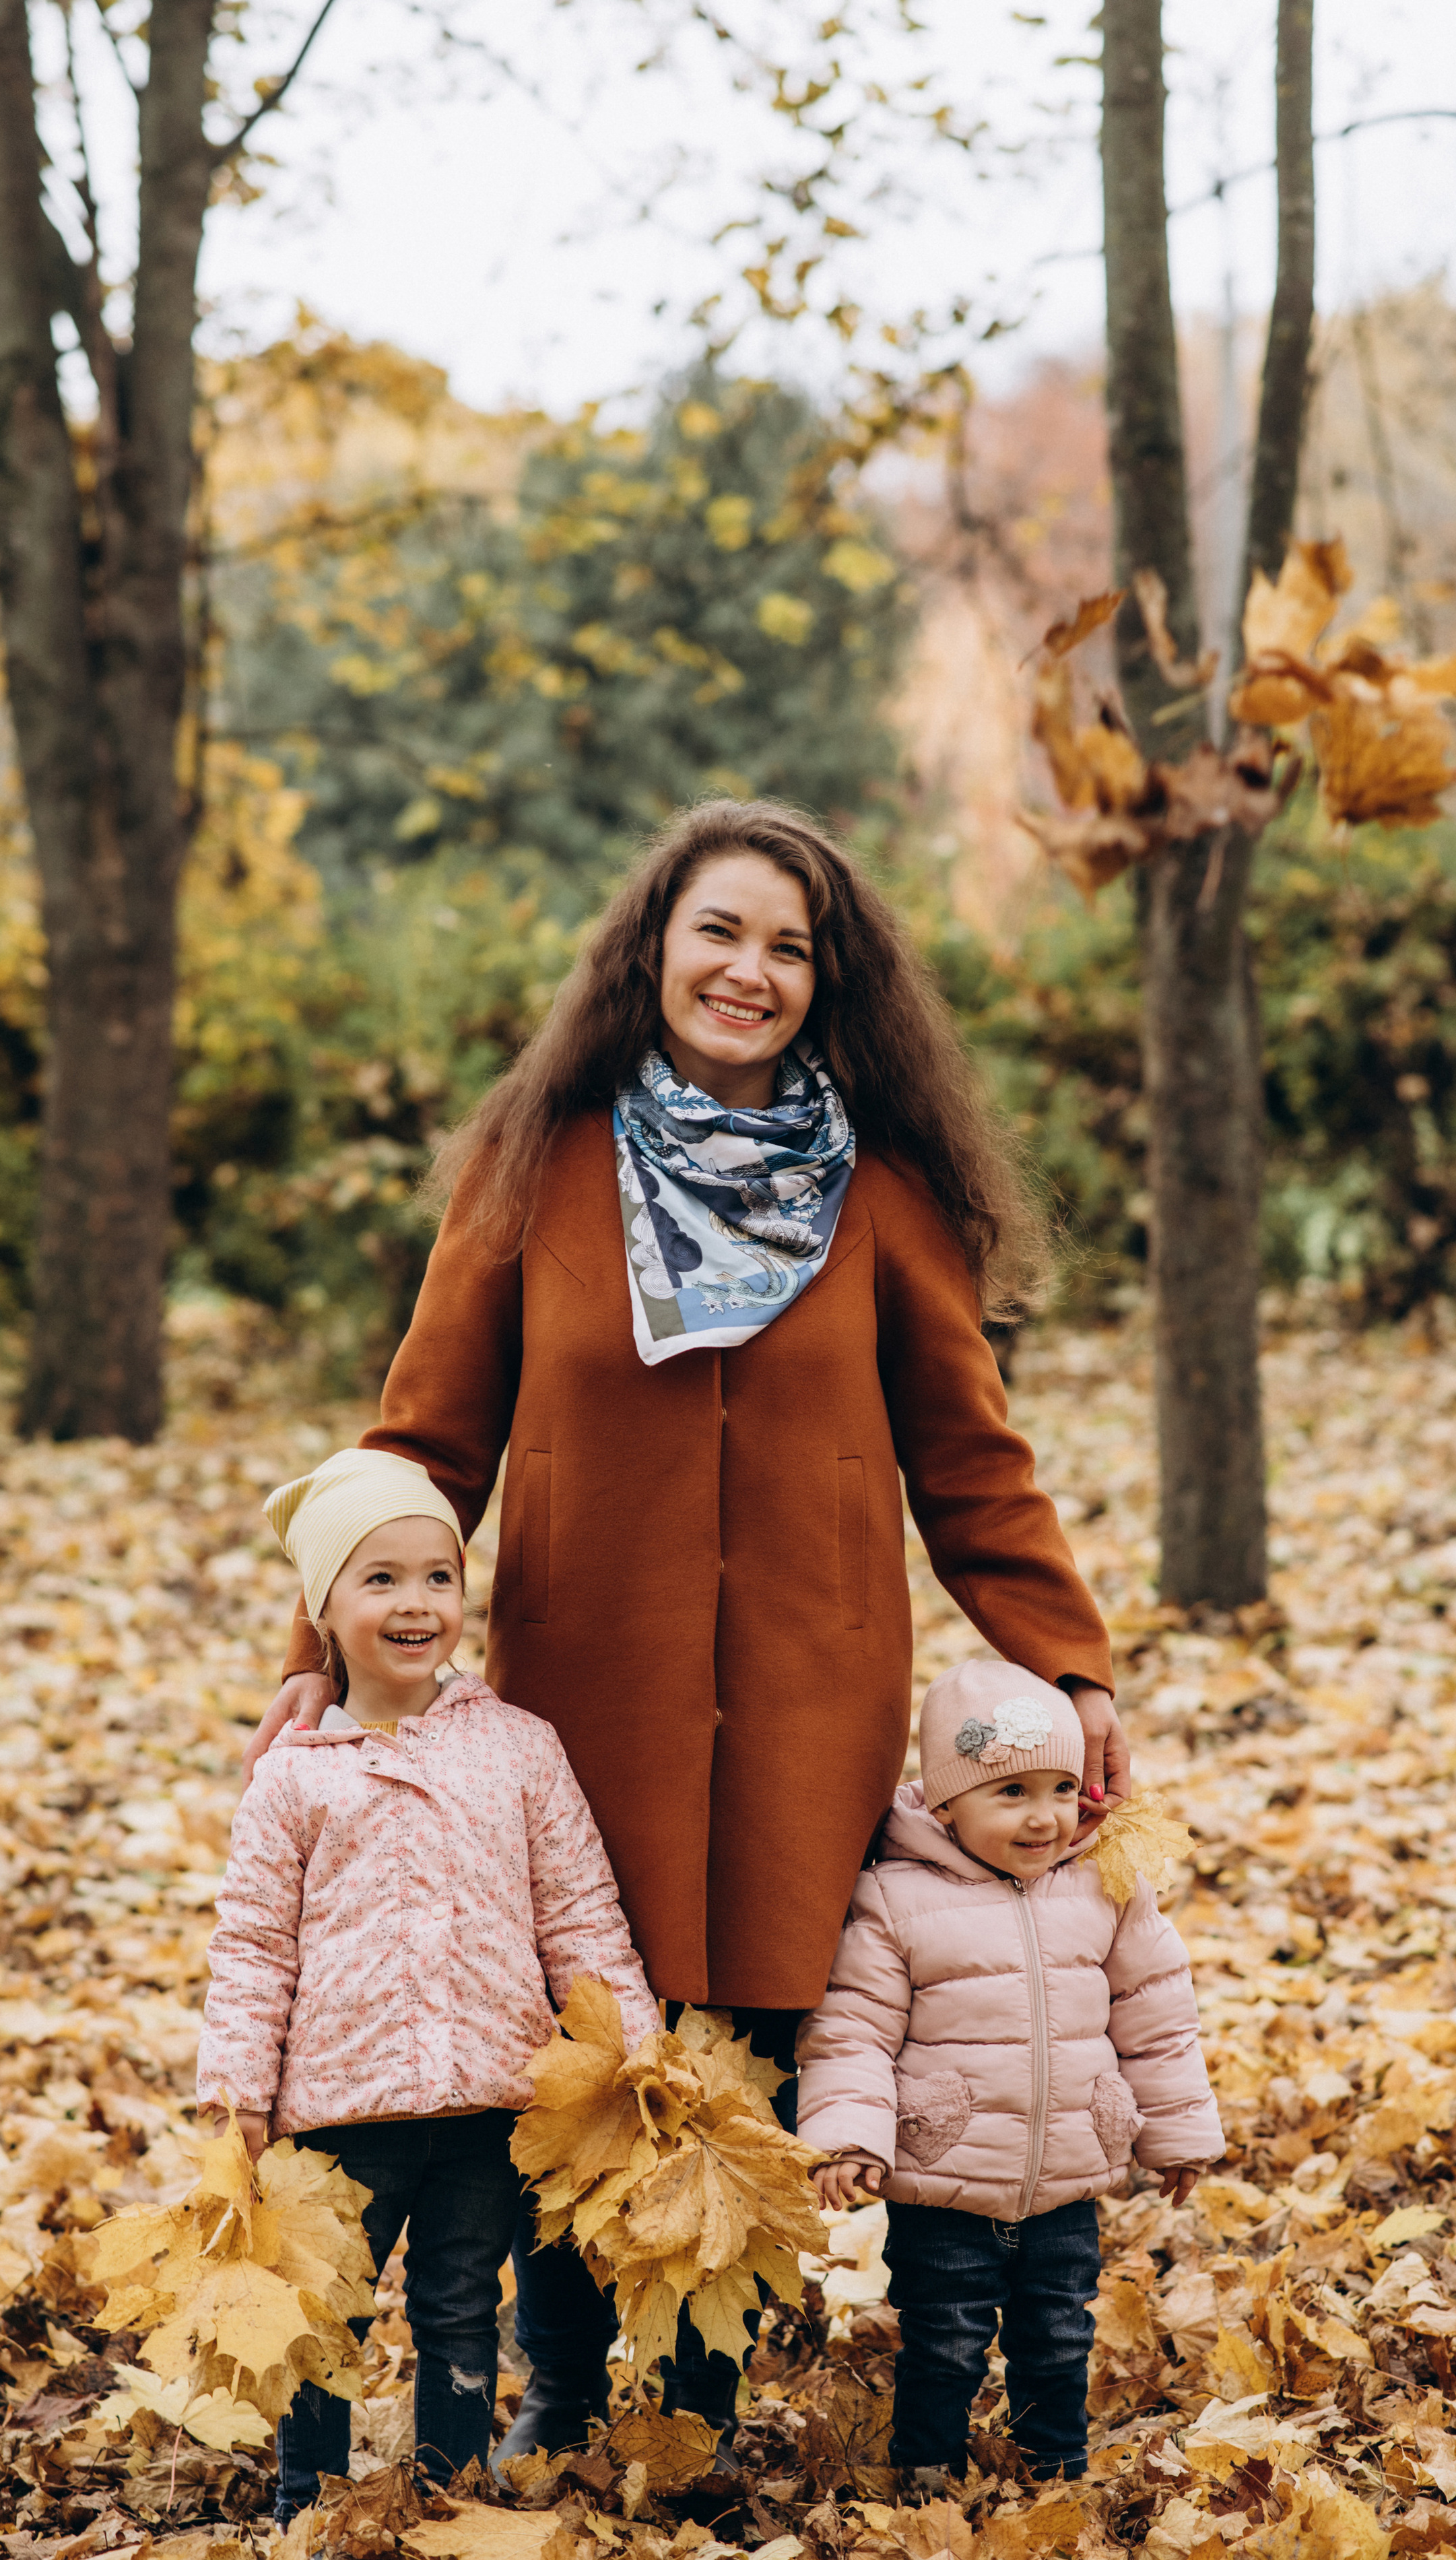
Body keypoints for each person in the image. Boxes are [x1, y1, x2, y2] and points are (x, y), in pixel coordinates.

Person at [243, 797, 1129, 2455]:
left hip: (815, 1704)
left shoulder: (882, 1194)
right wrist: (320, 1662)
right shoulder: (537, 1170)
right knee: (585, 2052)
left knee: (766, 2049)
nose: (750, 968)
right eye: (718, 930)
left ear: (828, 980)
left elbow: (971, 1464)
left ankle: (706, 2407)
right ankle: (569, 2401)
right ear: (649, 949)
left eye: (789, 946)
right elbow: (421, 1443)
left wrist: (1066, 1662)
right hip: (587, 1710)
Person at [199, 1447, 657, 2516]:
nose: (417, 1603)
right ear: (324, 1609)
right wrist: (238, 2095)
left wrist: (633, 2051)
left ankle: (450, 2493)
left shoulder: (519, 1747)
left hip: (491, 2098)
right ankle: (309, 2498)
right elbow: (254, 1944)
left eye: (439, 1576)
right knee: (325, 2302)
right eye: (381, 1578)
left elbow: (582, 1915)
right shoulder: (295, 1775)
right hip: (338, 2106)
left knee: (459, 2303)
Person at [798, 1658, 1222, 2482]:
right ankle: (926, 2475)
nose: (1044, 1819)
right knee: (946, 2338)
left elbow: (1157, 2013)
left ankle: (1053, 2468)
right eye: (1011, 1793)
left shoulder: (1106, 1886)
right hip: (943, 2178)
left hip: (1065, 2177)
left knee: (1059, 2334)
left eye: (1062, 1789)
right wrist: (849, 2137)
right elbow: (851, 2032)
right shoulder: (895, 1900)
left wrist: (1175, 2133)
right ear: (946, 1801)